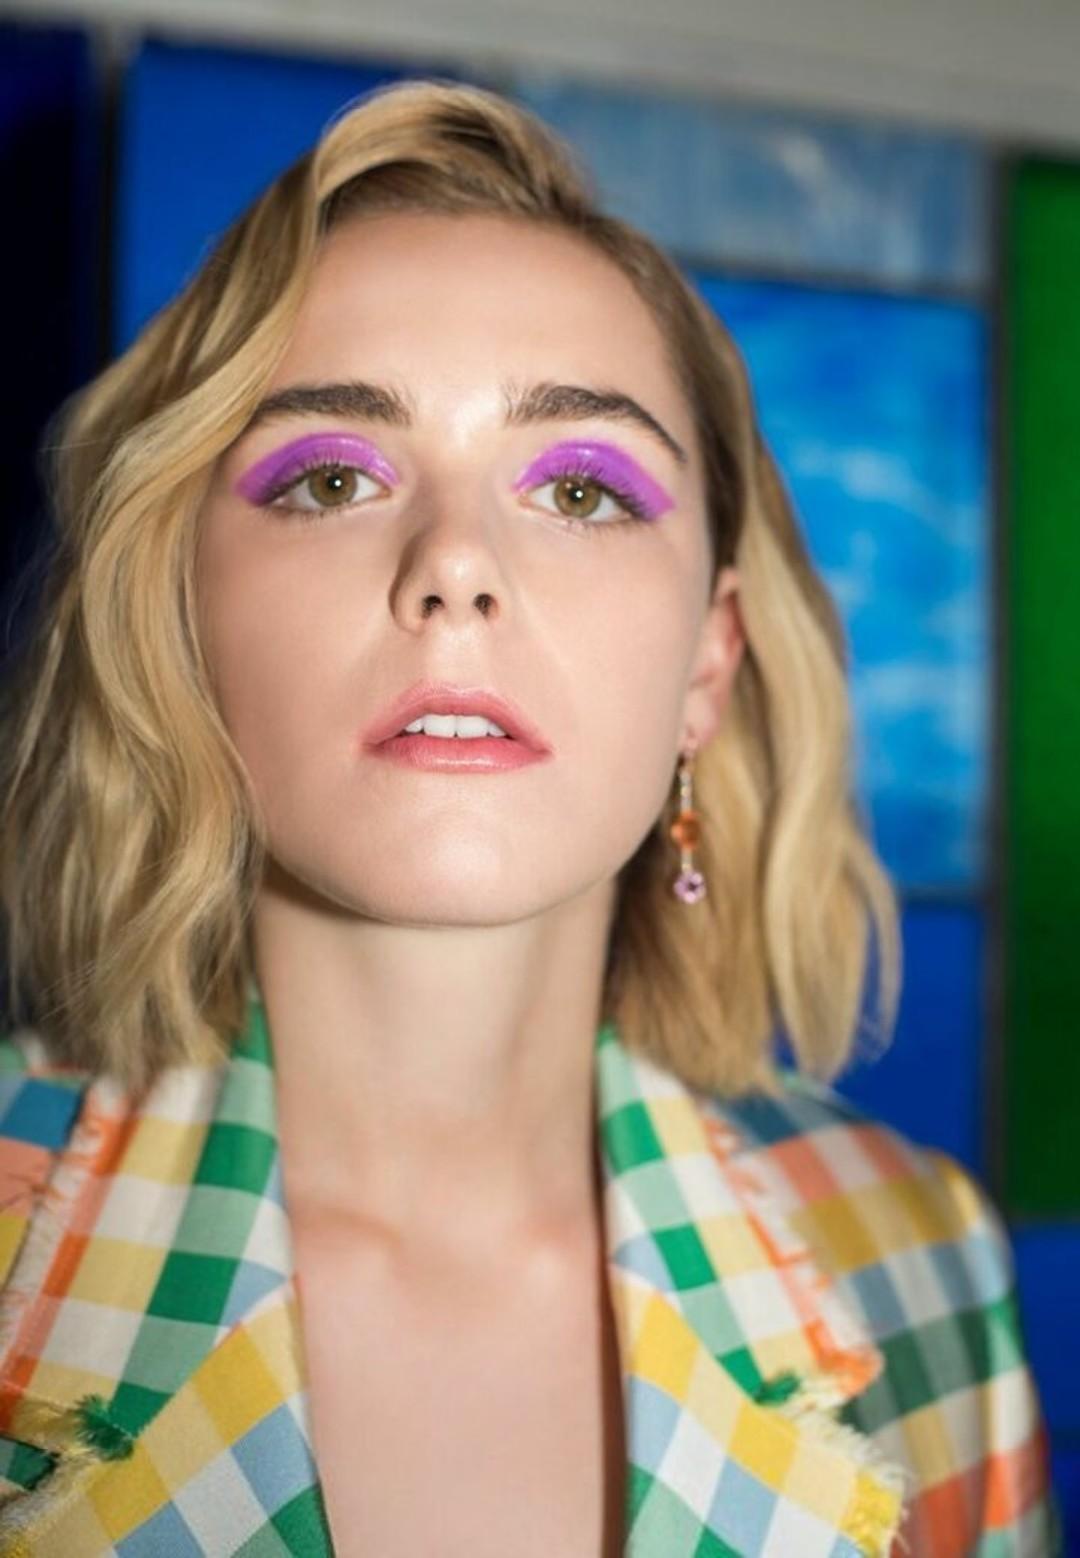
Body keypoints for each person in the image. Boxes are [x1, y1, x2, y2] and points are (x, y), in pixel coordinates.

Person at [0, 77, 1059, 1558]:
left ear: (709, 663)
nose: (456, 564)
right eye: (332, 476)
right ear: (177, 616)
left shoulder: (918, 1262)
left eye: (580, 490)